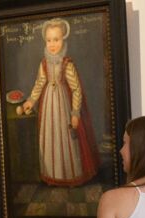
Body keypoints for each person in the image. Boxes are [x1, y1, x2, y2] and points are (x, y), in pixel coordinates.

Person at [18, 17, 99, 187]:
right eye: (49, 40)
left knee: (65, 138)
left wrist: (75, 113)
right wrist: (31, 101)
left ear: (63, 39)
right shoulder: (43, 64)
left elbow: (76, 89)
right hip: (47, 105)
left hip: (63, 105)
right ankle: (51, 174)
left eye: (56, 39)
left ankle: (68, 176)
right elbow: (40, 84)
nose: (52, 44)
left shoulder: (67, 64)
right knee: (49, 136)